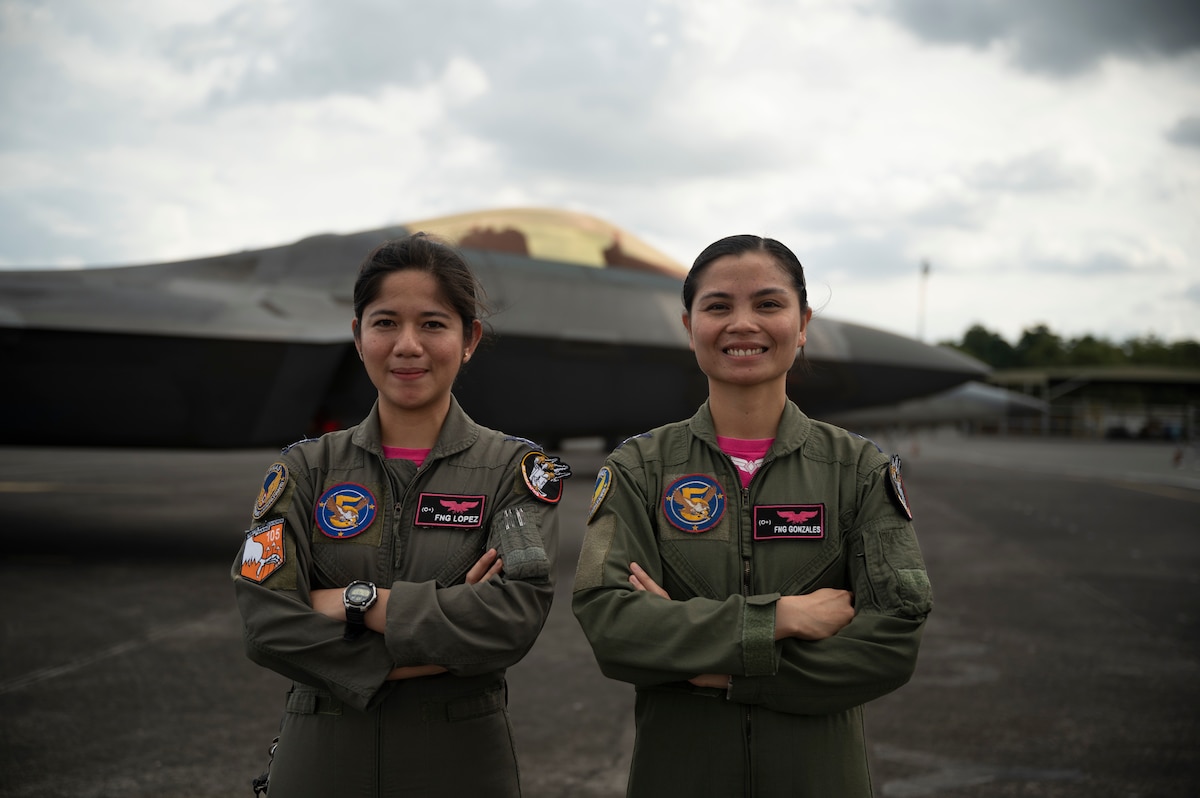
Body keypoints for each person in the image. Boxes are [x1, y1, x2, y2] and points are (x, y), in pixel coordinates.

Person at [572, 234, 932, 796]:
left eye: (768, 304)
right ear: (688, 326)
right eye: (718, 307)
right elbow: (612, 626)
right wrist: (779, 619)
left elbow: (889, 643)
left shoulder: (859, 470)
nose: (743, 324)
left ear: (803, 321)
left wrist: (713, 670)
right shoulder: (638, 469)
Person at [232, 233, 570, 797]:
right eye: (385, 322)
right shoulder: (305, 469)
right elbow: (264, 622)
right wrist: (439, 635)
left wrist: (350, 604)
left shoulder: (515, 470)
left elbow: (510, 620)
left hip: (460, 763)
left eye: (433, 324)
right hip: (321, 756)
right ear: (358, 337)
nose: (407, 345)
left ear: (469, 339)